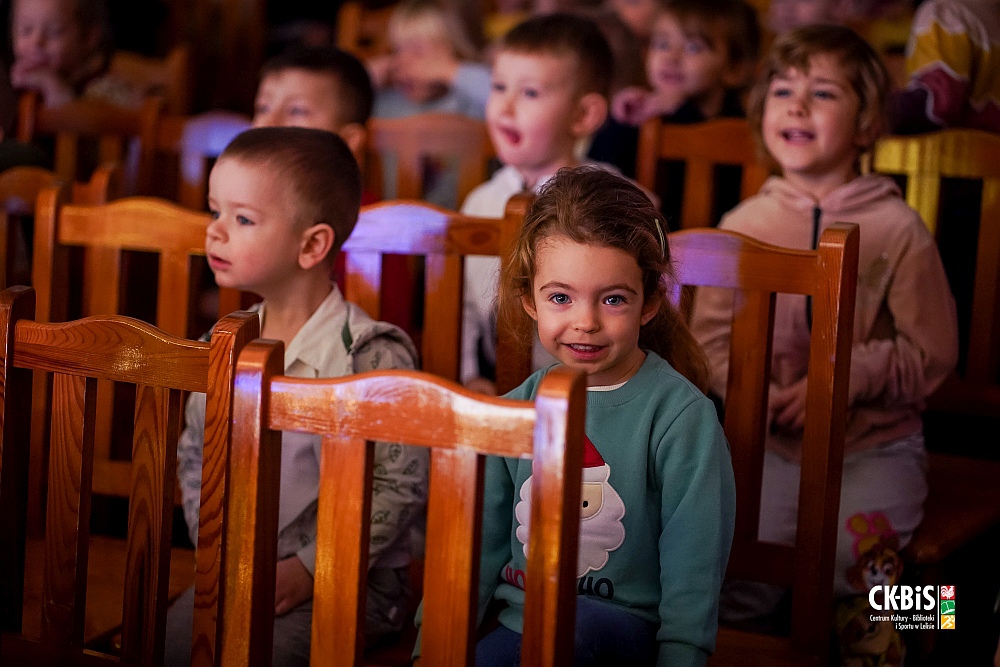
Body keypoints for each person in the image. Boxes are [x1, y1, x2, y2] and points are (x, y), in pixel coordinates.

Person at [689, 24, 959, 661]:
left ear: (867, 125)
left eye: (823, 93)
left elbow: (932, 353)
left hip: (874, 445)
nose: (797, 104)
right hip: (768, 444)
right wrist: (762, 395)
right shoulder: (741, 224)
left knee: (878, 569)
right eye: (782, 90)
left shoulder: (899, 228)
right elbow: (708, 347)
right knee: (735, 560)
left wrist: (838, 383)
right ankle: (748, 643)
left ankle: (943, 636)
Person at [413, 165, 735, 666]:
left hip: (623, 632)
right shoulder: (515, 409)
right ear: (530, 300)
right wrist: (429, 647)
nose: (585, 322)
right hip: (521, 626)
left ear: (649, 301)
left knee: (573, 631)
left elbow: (695, 565)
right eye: (560, 297)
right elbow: (475, 549)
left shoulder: (681, 418)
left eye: (612, 299)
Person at [164, 127, 428, 667]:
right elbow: (196, 455)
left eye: (242, 219)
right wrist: (217, 546)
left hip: (355, 577)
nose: (214, 232)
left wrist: (312, 567)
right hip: (239, 566)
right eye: (215, 211)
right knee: (172, 644)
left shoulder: (371, 355)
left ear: (312, 245)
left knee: (255, 654)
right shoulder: (221, 347)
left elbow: (399, 484)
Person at [459, 12, 619, 396]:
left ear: (583, 114)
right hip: (496, 390)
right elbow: (462, 308)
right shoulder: (479, 201)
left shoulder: (614, 200)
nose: (505, 107)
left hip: (587, 390)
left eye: (530, 93)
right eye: (498, 87)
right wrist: (466, 376)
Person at [597, 0, 760, 215]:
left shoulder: (743, 127)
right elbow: (600, 171)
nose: (671, 57)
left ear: (734, 69)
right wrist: (622, 121)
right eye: (662, 44)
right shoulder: (646, 112)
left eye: (693, 47)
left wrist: (681, 110)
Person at [888, 0, 1000, 134]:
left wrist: (876, 108)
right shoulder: (992, 16)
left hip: (953, 152)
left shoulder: (943, 11)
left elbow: (940, 103)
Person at [8, 0, 144, 107]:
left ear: (89, 37)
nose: (36, 42)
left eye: (54, 32)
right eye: (26, 30)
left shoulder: (104, 90)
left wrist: (53, 87)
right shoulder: (13, 85)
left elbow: (77, 131)